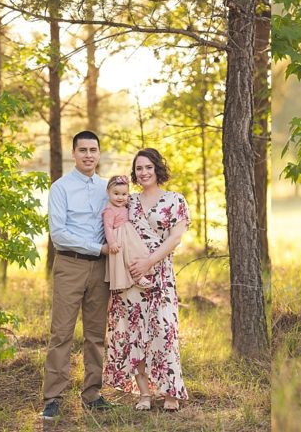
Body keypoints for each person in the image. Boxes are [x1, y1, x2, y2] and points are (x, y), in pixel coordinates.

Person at [103, 148, 190, 411]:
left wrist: (148, 263)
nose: (143, 172)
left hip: (160, 276)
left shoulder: (175, 200)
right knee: (134, 335)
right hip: (130, 278)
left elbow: (175, 238)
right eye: (139, 168)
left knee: (164, 333)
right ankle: (144, 394)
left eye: (148, 167)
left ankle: (169, 393)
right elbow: (113, 225)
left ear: (157, 169)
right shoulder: (129, 201)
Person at [41, 130, 115, 420]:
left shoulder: (107, 187)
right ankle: (53, 397)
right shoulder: (60, 188)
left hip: (101, 268)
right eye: (82, 150)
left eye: (93, 150)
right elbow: (59, 234)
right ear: (74, 153)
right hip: (70, 265)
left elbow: (119, 219)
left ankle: (93, 393)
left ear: (98, 153)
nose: (88, 155)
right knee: (61, 333)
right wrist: (98, 247)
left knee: (96, 335)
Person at [102, 175, 155, 291]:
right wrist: (112, 243)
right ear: (108, 192)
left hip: (129, 234)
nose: (120, 197)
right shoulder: (109, 210)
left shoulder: (125, 203)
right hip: (120, 236)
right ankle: (137, 277)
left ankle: (142, 272)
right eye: (116, 194)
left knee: (139, 251)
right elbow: (108, 227)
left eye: (124, 194)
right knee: (127, 257)